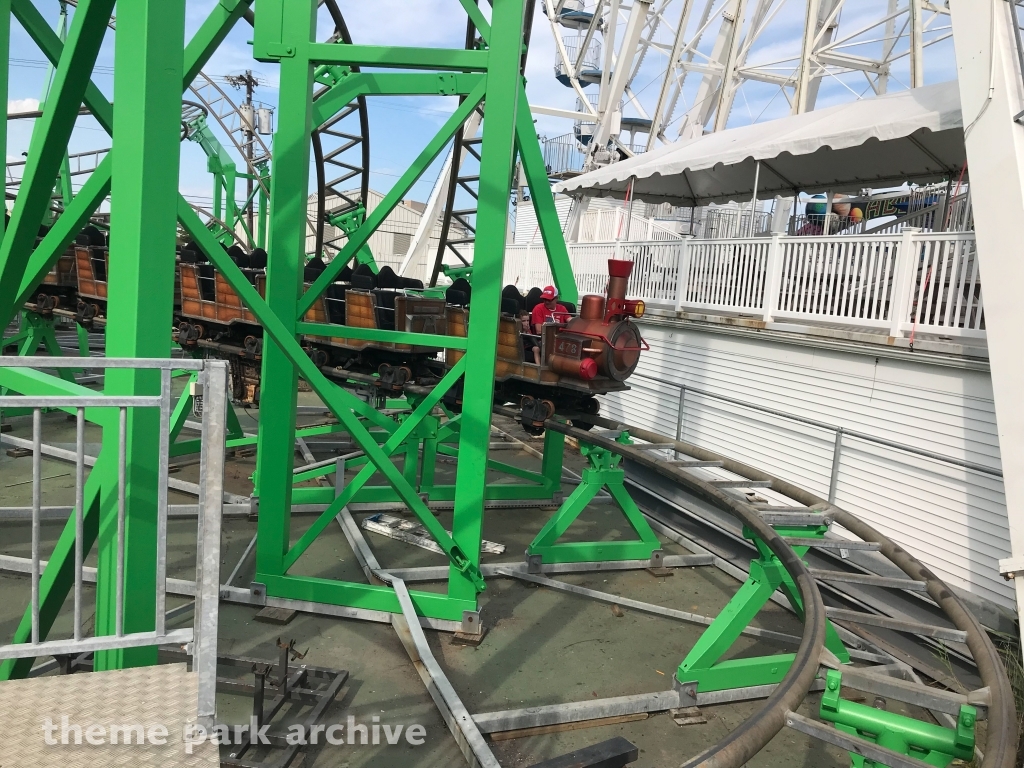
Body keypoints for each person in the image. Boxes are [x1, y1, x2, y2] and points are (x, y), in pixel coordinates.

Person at [528, 286, 571, 364]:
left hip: (561, 339)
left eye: (549, 300)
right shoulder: (538, 308)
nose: (546, 302)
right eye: (544, 299)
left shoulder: (562, 309)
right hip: (543, 339)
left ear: (556, 298)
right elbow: (539, 330)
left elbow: (571, 321)